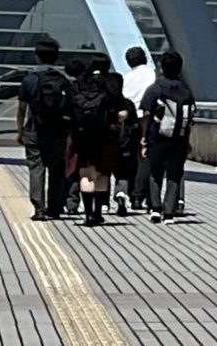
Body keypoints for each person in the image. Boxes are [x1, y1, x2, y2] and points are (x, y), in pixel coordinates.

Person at [16, 37, 75, 221]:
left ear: (37, 57)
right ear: (56, 58)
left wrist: (20, 131)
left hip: (35, 129)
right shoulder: (64, 80)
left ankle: (39, 209)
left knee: (36, 167)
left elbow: (21, 108)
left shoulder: (30, 79)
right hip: (58, 130)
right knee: (57, 168)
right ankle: (55, 207)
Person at [141, 50, 196, 220]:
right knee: (174, 173)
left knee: (155, 172)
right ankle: (169, 211)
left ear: (162, 67)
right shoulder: (186, 91)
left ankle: (155, 208)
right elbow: (190, 118)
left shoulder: (155, 88)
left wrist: (143, 137)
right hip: (178, 139)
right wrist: (187, 140)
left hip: (156, 137)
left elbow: (146, 115)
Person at [67, 56, 120, 226]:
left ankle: (88, 214)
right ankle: (98, 213)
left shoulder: (79, 83)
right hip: (105, 136)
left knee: (85, 173)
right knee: (102, 173)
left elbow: (68, 108)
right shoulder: (112, 82)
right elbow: (120, 109)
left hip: (81, 135)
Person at [120, 45, 158, 212]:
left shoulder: (126, 78)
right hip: (148, 120)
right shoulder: (153, 74)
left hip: (129, 120)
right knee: (144, 159)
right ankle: (139, 197)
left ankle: (127, 192)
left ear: (128, 62)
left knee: (128, 159)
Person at [108, 73, 141, 219]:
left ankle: (102, 202)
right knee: (123, 175)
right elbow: (136, 126)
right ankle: (121, 193)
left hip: (107, 145)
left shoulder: (104, 101)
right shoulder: (128, 104)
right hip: (126, 146)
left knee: (104, 173)